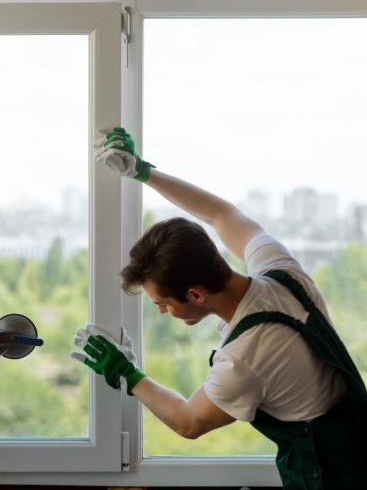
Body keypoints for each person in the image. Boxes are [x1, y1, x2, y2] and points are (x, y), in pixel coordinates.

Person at [71, 128, 367, 490]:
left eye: (163, 303)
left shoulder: (244, 358)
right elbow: (220, 213)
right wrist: (142, 171)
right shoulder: (280, 271)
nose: (162, 313)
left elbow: (189, 422)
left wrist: (129, 376)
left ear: (195, 294)